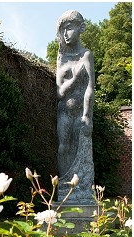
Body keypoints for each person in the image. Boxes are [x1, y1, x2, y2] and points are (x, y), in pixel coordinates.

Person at [56, 10, 95, 178]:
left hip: (81, 113)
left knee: (82, 149)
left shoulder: (86, 55)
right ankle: (65, 185)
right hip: (64, 111)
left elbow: (90, 87)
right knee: (63, 147)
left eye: (69, 28)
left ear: (81, 28)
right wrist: (76, 77)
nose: (65, 33)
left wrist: (87, 114)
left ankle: (81, 188)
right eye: (62, 29)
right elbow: (60, 92)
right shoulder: (61, 58)